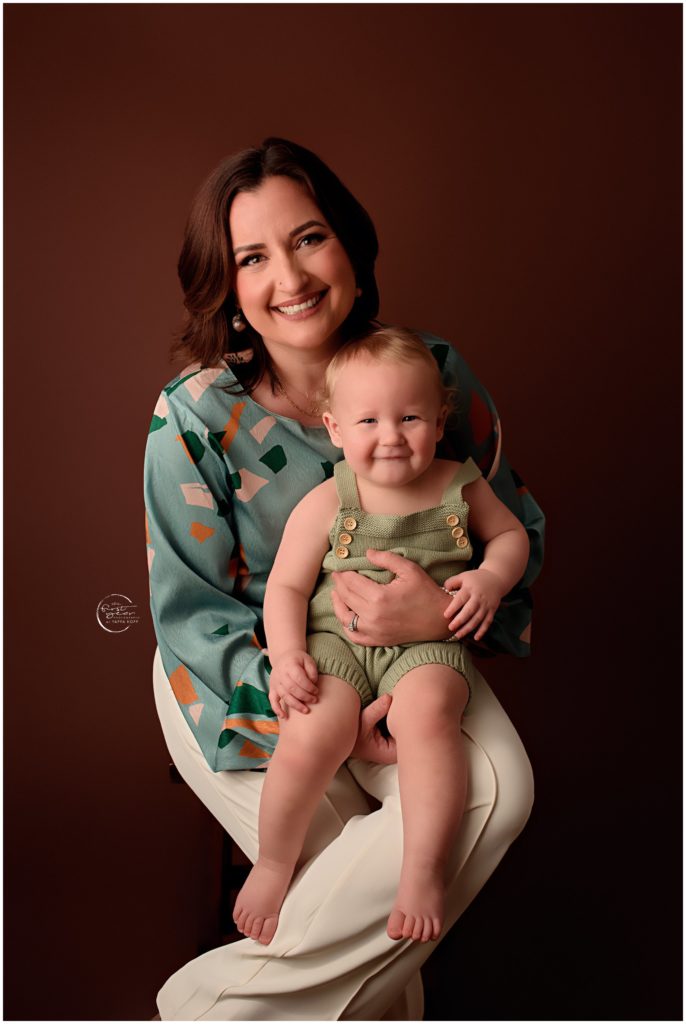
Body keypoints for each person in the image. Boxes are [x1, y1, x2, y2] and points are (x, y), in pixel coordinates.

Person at [144, 136, 544, 1020]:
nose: (289, 274)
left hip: (419, 654)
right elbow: (190, 614)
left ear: (354, 253)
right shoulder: (193, 415)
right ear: (233, 290)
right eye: (253, 256)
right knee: (336, 873)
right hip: (254, 671)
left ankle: (210, 1007)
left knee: (499, 794)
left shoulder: (430, 373)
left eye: (309, 237)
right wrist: (318, 703)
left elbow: (516, 534)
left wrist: (436, 615)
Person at [233, 328, 531, 948]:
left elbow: (511, 537)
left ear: (440, 417)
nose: (390, 436)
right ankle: (273, 861)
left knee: (430, 724)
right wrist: (287, 655)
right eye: (367, 420)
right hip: (336, 641)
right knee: (311, 730)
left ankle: (422, 872)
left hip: (429, 642)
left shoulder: (460, 483)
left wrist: (487, 579)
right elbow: (286, 587)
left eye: (410, 417)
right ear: (335, 429)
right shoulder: (327, 500)